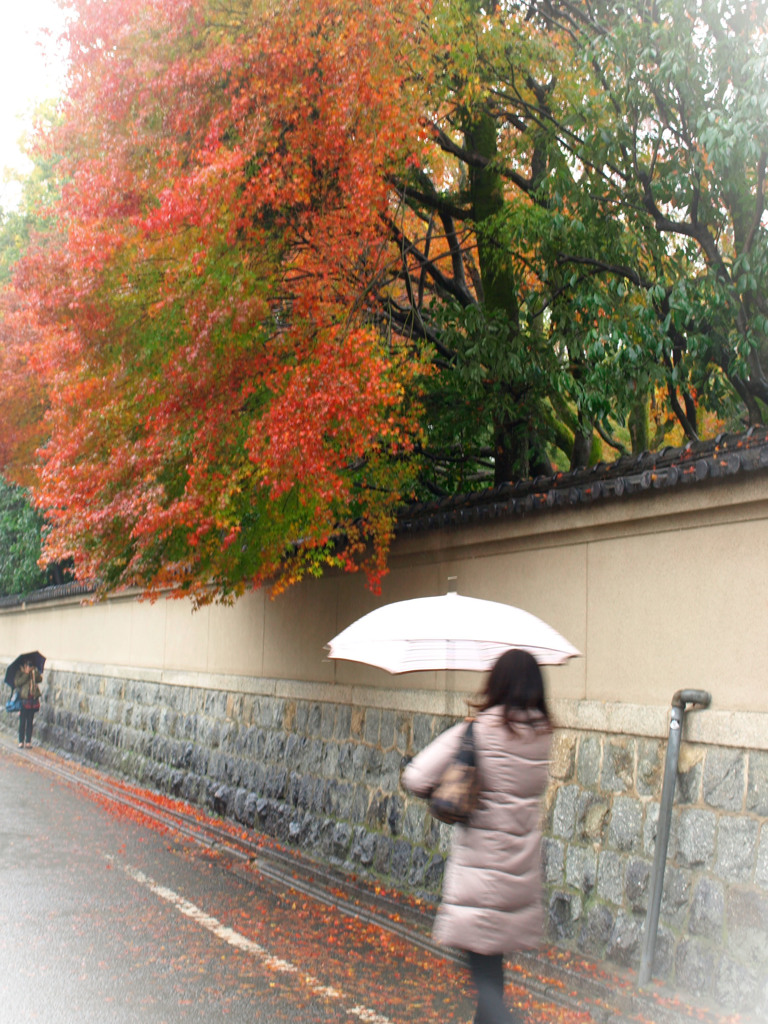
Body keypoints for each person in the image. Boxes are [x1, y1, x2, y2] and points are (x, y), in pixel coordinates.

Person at [401, 648, 552, 1024]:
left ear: (496, 683)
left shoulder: (479, 730)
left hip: (482, 875)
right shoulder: (542, 735)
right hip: (520, 872)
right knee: (490, 978)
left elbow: (416, 777)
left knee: (485, 982)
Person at [14, 659, 42, 749]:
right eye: (28, 664)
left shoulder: (34, 672)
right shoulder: (20, 672)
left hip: (32, 699)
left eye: (30, 664)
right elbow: (17, 682)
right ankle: (20, 741)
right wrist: (26, 673)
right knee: (22, 722)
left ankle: (28, 741)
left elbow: (40, 679)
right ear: (24, 664)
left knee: (30, 721)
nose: (29, 666)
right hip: (24, 699)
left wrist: (34, 672)